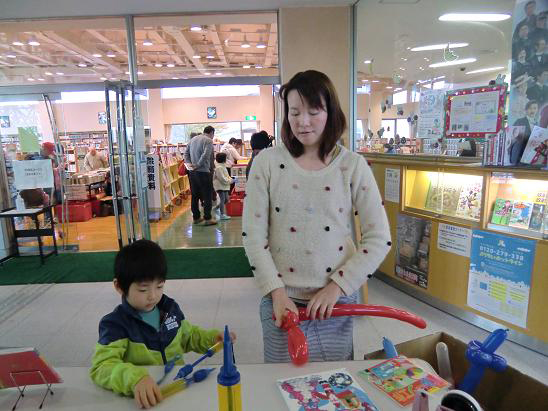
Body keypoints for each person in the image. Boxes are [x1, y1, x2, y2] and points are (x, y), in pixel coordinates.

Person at [242, 70, 391, 363]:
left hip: (335, 305)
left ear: (331, 112)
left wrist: (338, 286)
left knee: (333, 390)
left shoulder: (352, 165)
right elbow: (253, 236)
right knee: (281, 386)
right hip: (281, 303)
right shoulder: (267, 163)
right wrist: (276, 292)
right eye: (294, 112)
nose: (302, 121)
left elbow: (379, 238)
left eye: (314, 111)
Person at [89, 240, 235, 409]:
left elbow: (188, 337)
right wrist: (135, 379)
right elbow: (101, 367)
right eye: (143, 290)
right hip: (142, 400)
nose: (152, 296)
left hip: (178, 392)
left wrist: (211, 338)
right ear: (119, 286)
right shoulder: (115, 325)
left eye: (159, 286)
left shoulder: (170, 309)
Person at [183, 126, 217, 225]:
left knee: (195, 195)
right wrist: (198, 165)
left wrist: (190, 165)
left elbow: (186, 154)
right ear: (211, 133)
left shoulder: (192, 139)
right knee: (207, 195)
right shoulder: (208, 141)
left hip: (192, 173)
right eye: (213, 134)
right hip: (204, 172)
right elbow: (206, 155)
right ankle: (207, 218)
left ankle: (196, 218)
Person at [213, 152, 233, 220]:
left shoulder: (223, 166)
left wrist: (231, 179)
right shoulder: (219, 168)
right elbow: (222, 179)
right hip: (220, 186)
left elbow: (226, 176)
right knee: (223, 199)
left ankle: (216, 208)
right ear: (224, 159)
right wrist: (231, 181)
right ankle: (222, 214)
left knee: (226, 199)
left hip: (224, 186)